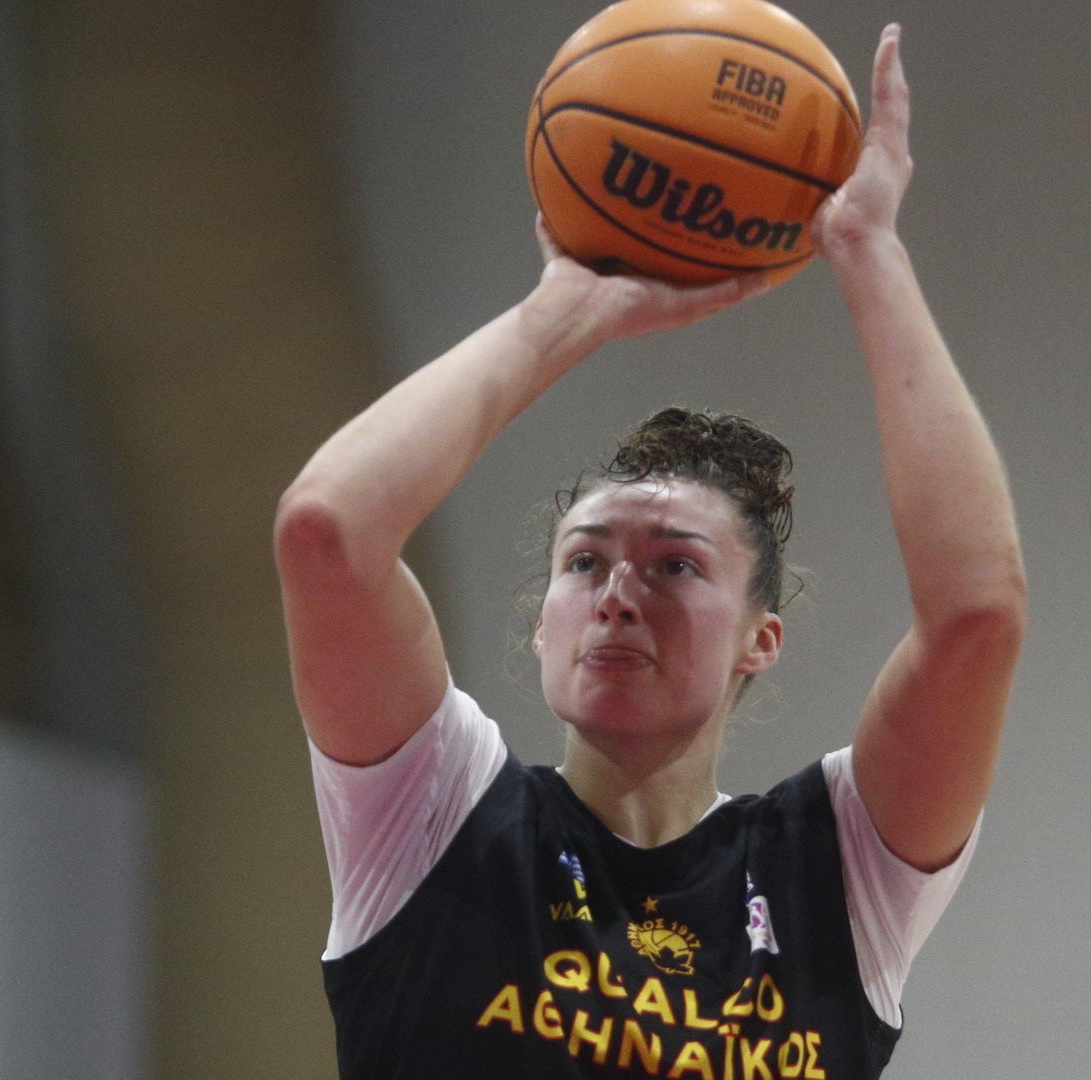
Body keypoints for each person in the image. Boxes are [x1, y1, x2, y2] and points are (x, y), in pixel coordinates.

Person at [274, 26, 1025, 1079]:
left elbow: (978, 618)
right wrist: (562, 314)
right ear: (542, 623)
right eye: (584, 563)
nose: (618, 593)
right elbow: (327, 535)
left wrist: (868, 251)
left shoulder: (832, 870)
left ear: (761, 639)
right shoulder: (437, 814)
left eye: (674, 565)